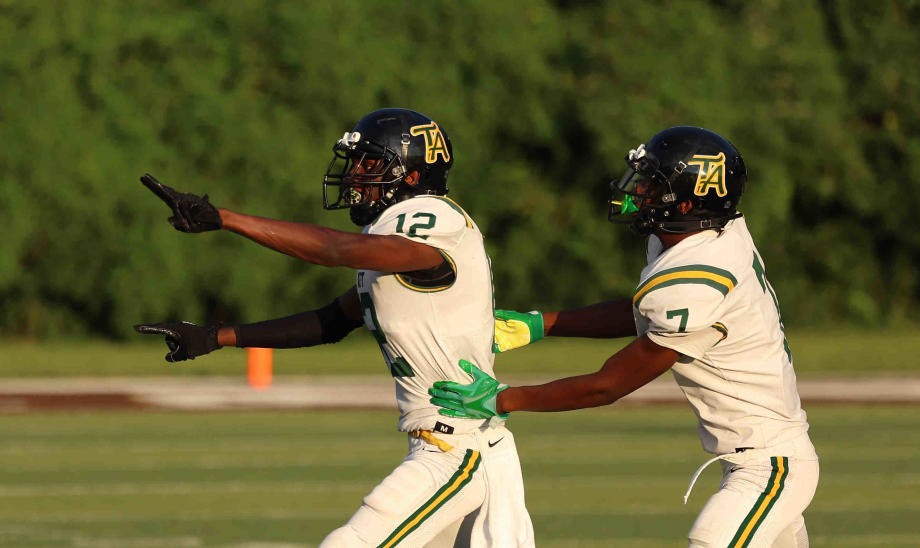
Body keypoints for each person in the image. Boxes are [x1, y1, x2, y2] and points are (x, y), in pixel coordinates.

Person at [135, 108, 535, 547]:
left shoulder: (432, 218)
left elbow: (338, 249)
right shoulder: (391, 243)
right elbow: (330, 321)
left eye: (369, 164)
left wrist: (227, 219)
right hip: (455, 444)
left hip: (458, 448)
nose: (355, 176)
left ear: (412, 175)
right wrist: (215, 337)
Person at [431, 127, 819, 548]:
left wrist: (506, 399)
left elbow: (608, 385)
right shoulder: (702, 239)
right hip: (761, 459)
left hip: (770, 465)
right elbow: (643, 311)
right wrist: (544, 323)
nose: (639, 189)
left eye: (655, 183)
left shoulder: (699, 275)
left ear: (687, 202)